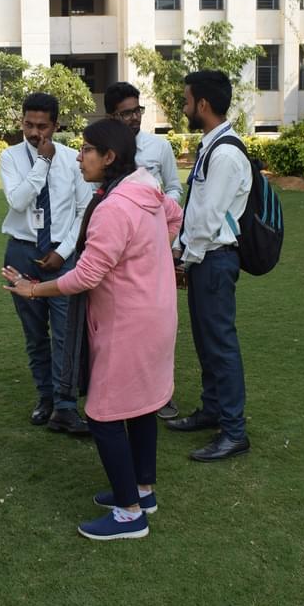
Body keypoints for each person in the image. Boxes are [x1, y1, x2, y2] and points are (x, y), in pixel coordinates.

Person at [3, 119, 182, 540]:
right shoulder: (145, 187)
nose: (78, 157)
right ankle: (142, 490)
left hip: (129, 323)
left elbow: (85, 275)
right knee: (141, 406)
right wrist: (148, 260)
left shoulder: (115, 207)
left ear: (109, 157)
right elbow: (173, 218)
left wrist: (33, 289)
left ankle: (130, 515)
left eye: (86, 150)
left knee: (103, 415)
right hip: (154, 313)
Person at [167, 70, 252, 461]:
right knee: (206, 340)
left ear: (202, 104)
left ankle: (234, 431)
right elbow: (196, 210)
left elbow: (209, 218)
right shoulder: (212, 146)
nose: (184, 107)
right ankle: (212, 410)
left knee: (220, 344)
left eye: (187, 101)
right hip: (204, 258)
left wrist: (185, 258)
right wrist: (181, 250)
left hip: (214, 259)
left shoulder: (226, 154)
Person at [0, 92, 92, 433]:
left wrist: (63, 253)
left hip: (62, 255)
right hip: (22, 252)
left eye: (42, 126)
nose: (34, 132)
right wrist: (42, 162)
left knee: (66, 332)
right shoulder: (11, 157)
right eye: (28, 125)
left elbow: (83, 211)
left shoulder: (73, 159)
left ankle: (65, 405)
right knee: (35, 333)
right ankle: (46, 397)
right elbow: (18, 200)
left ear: (56, 125)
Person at [105, 80, 183, 420]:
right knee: (119, 324)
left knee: (155, 323)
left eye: (137, 110)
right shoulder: (102, 149)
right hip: (116, 249)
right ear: (112, 116)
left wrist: (159, 211)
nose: (134, 117)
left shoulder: (158, 147)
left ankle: (160, 396)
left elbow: (175, 188)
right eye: (126, 113)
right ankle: (121, 392)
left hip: (152, 249)